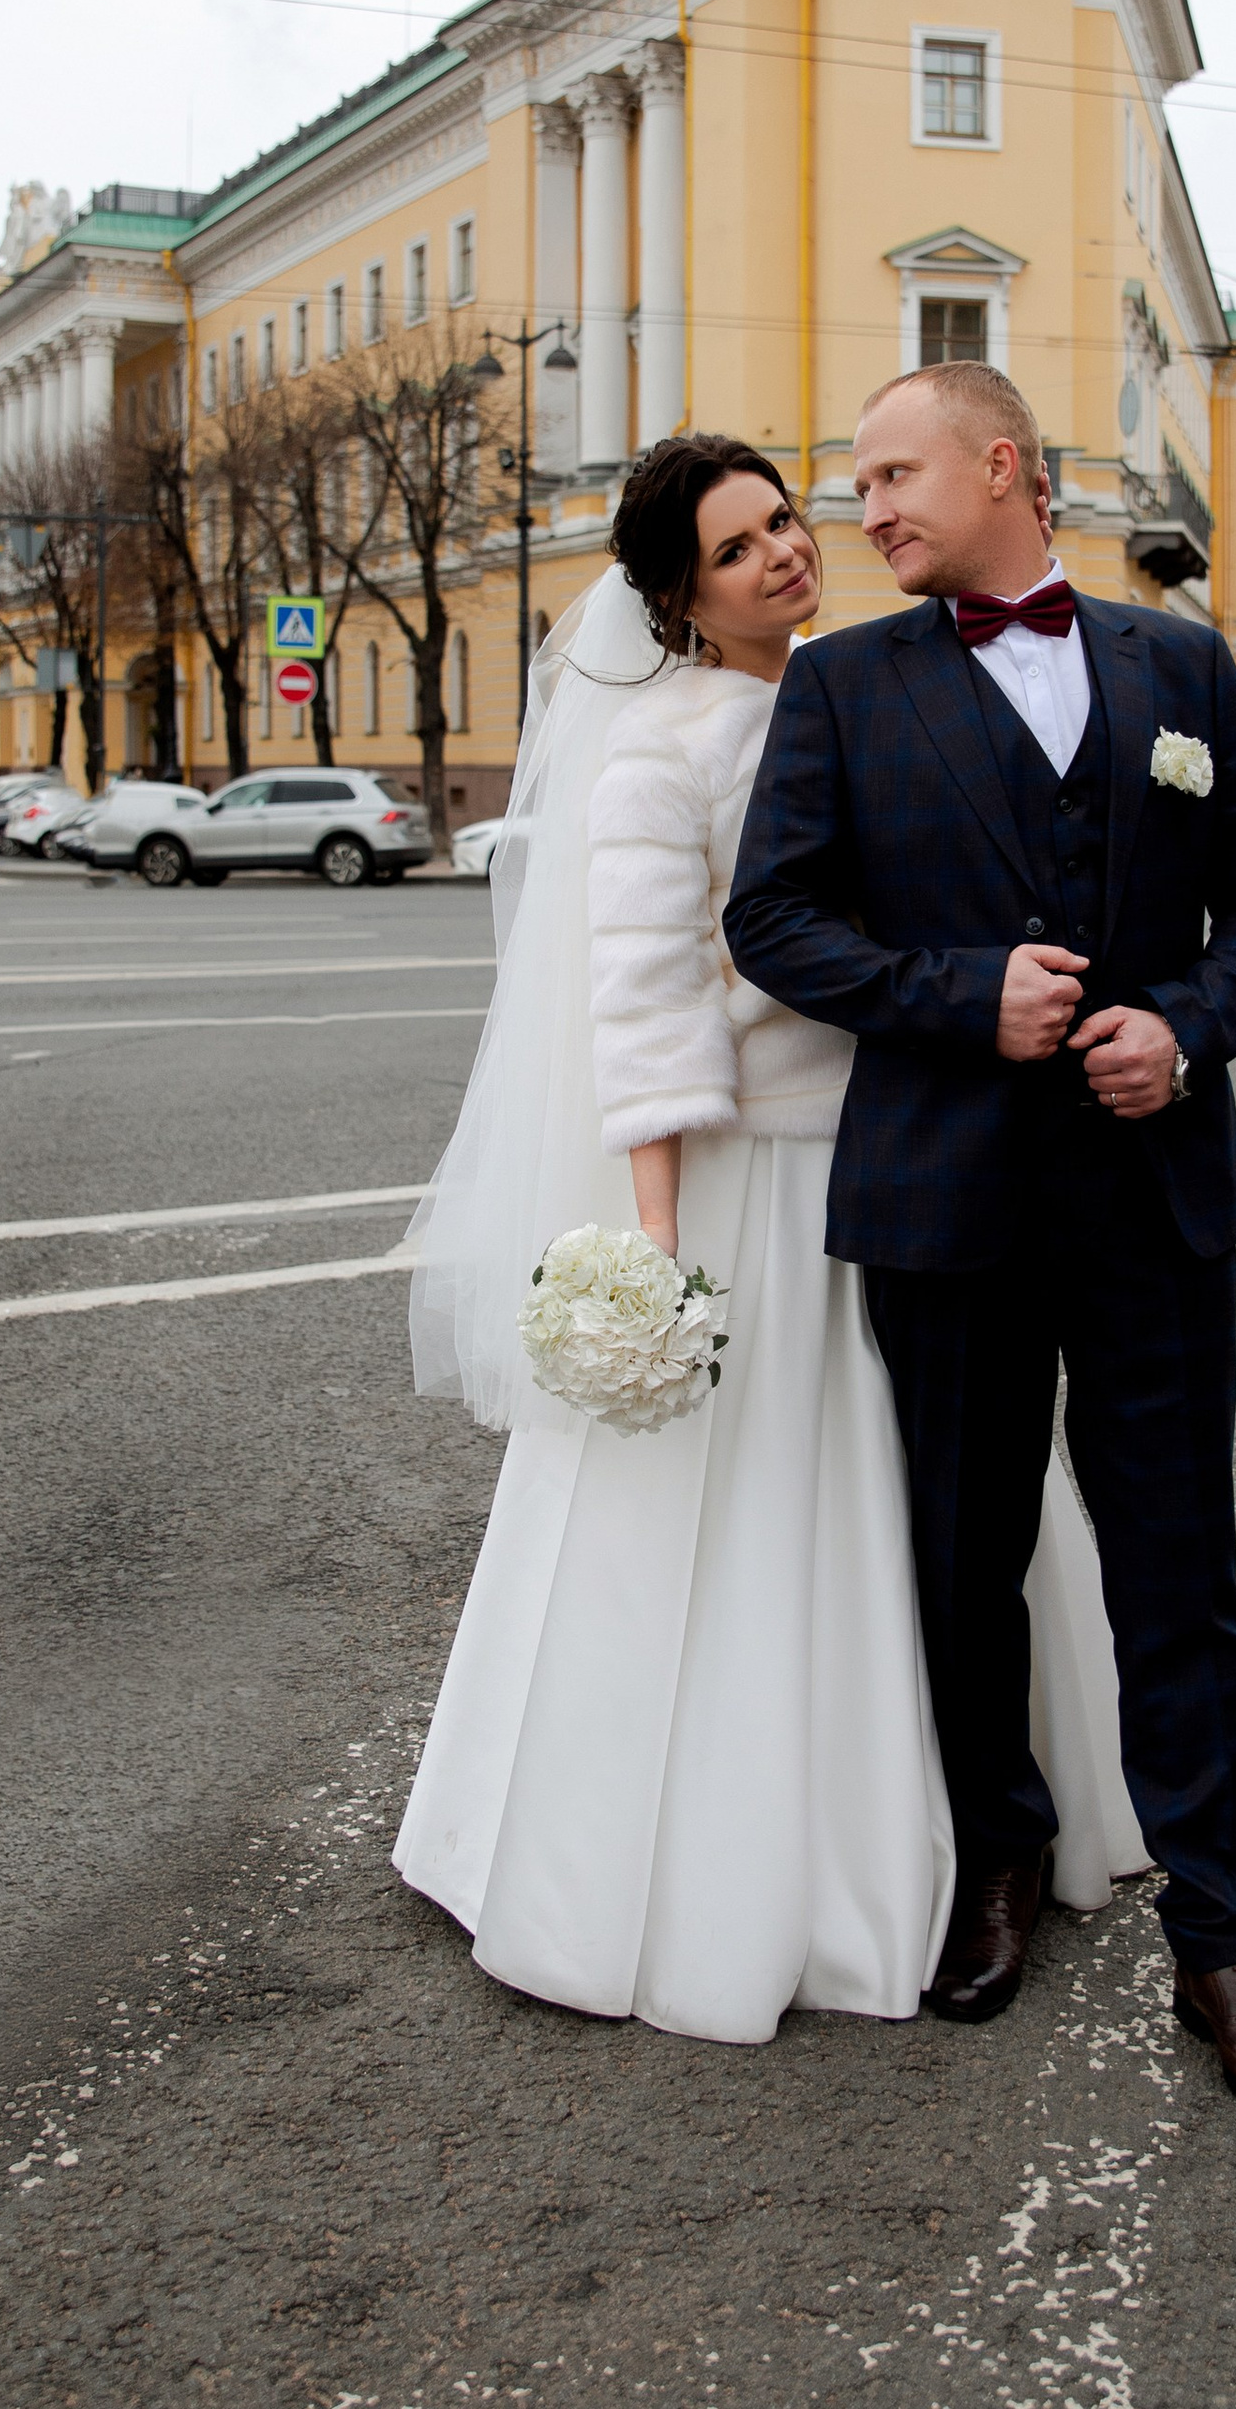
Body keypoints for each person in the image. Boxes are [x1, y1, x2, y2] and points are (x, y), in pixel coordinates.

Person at [394, 431, 1144, 2047]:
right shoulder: (666, 750)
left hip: (897, 1158)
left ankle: (983, 1821)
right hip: (757, 1189)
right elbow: (648, 1011)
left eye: (786, 522)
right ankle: (756, 1866)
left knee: (942, 1510)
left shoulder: (868, 685)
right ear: (677, 596)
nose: (788, 555)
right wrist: (663, 1251)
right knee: (763, 1532)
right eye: (740, 550)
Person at [722, 365, 1236, 2126]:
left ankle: (1228, 1943)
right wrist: (955, 997)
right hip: (948, 1204)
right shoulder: (844, 685)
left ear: (1005, 466)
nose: (865, 510)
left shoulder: (1179, 667)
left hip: (1151, 1197)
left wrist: (1190, 1026)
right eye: (856, 482)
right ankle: (1000, 1866)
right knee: (963, 1562)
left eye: (893, 471)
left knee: (1177, 1581)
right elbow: (774, 920)